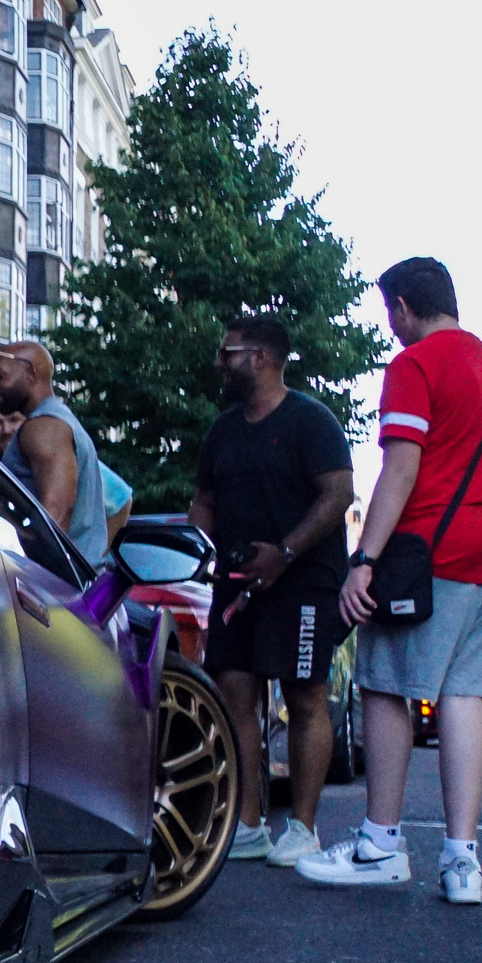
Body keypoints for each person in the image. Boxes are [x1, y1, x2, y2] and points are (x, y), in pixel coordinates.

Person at [300, 258, 482, 906]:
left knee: (383, 681)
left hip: (432, 553)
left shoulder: (415, 367)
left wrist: (364, 559)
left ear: (402, 306)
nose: (390, 328)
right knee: (466, 695)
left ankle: (381, 843)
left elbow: (402, 468)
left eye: (388, 314)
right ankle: (462, 863)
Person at [186, 314, 355, 866]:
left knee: (305, 696)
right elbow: (204, 503)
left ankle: (303, 828)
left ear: (258, 357)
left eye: (227, 351)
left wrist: (284, 553)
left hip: (303, 580)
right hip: (235, 583)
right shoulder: (223, 430)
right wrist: (195, 555)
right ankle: (248, 822)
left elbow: (336, 496)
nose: (219, 361)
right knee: (234, 695)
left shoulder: (312, 422)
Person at [0, 339, 111, 567]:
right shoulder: (59, 420)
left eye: (0, 376)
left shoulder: (44, 427)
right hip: (76, 584)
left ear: (31, 373)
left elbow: (55, 521)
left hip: (63, 591)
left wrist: (1, 518)